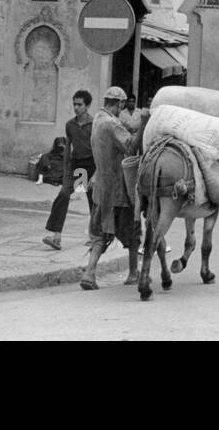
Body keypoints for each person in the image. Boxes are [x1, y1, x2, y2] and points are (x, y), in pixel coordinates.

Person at [82, 87, 140, 290]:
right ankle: (133, 273)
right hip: (118, 191)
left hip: (101, 190)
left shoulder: (97, 119)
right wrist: (143, 128)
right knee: (132, 233)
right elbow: (130, 146)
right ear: (119, 104)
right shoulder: (112, 123)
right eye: (121, 106)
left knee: (98, 235)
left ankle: (89, 273)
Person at [42, 90, 95, 251]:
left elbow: (98, 149)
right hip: (76, 165)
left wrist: (97, 174)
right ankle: (56, 236)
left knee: (93, 201)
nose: (76, 107)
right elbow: (68, 148)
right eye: (74, 104)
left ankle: (95, 237)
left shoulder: (94, 125)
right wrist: (65, 170)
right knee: (64, 194)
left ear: (87, 106)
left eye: (80, 104)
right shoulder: (70, 125)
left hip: (90, 166)